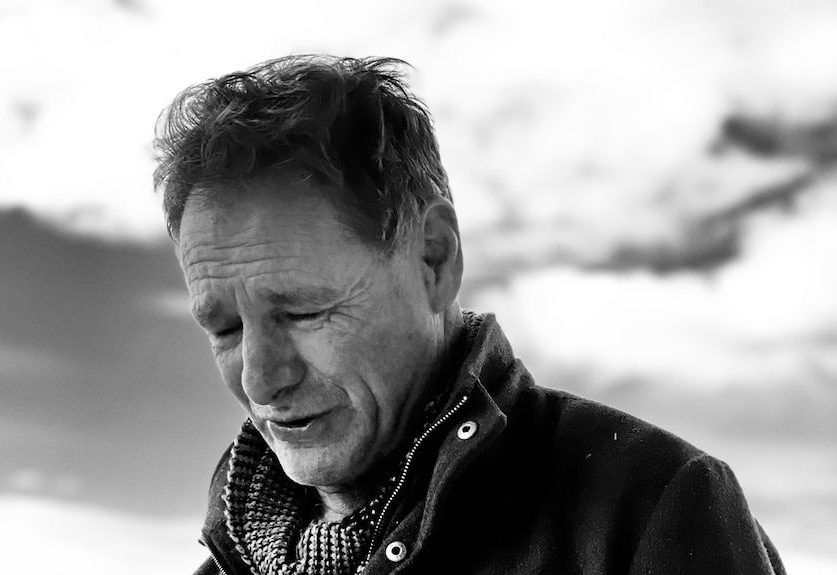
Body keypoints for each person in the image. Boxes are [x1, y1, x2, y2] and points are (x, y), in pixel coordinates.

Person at [154, 55, 786, 575]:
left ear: (434, 258)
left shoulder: (651, 510)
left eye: (303, 311)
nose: (261, 380)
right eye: (225, 330)